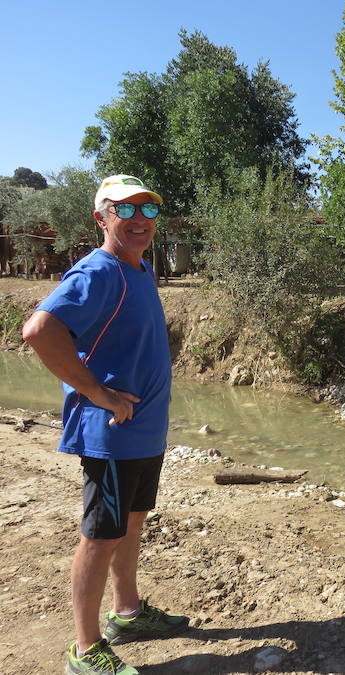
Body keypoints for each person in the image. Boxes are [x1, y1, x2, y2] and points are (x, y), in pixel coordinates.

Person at [22, 175, 188, 675]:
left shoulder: (139, 270)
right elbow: (40, 330)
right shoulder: (99, 271)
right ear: (102, 217)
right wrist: (98, 393)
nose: (140, 220)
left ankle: (128, 614)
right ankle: (85, 648)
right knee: (100, 537)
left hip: (144, 432)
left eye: (149, 211)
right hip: (111, 436)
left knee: (131, 524)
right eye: (125, 210)